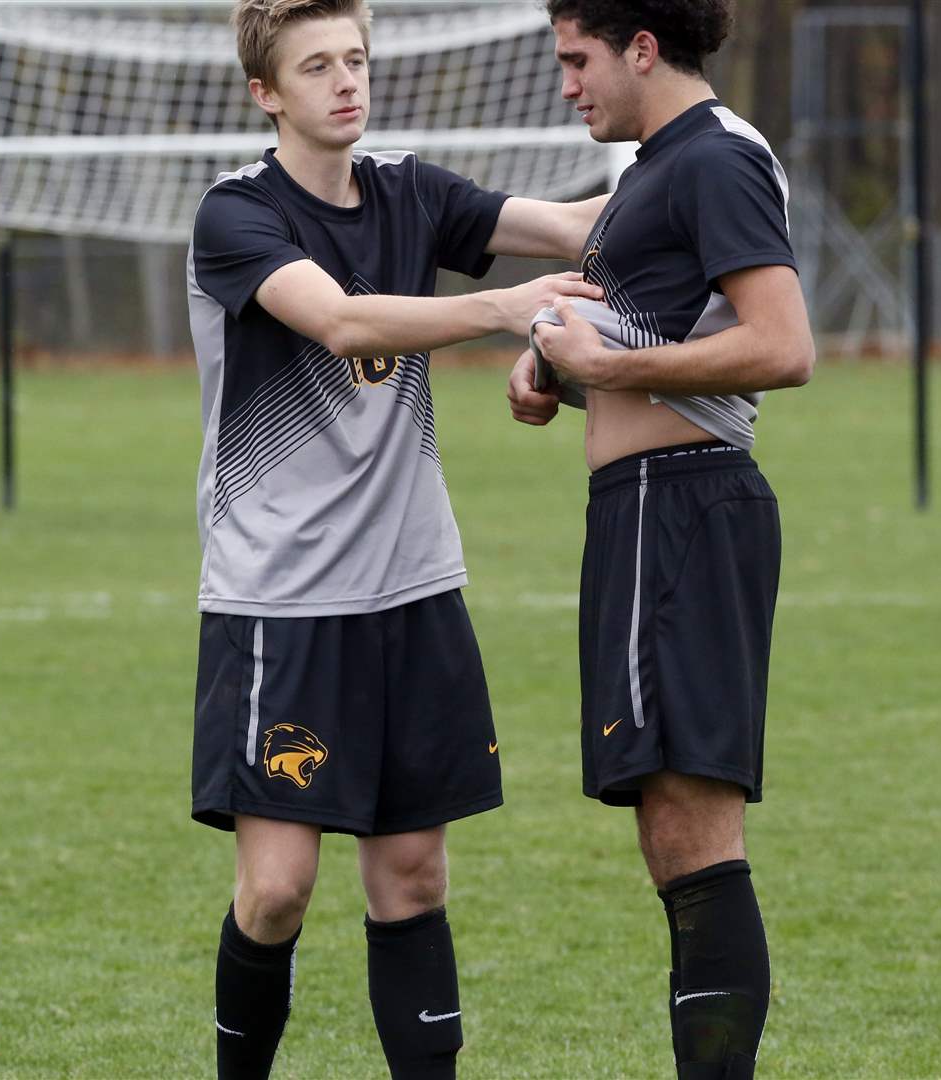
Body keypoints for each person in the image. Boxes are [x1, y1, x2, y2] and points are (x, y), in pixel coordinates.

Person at [187, 2, 607, 1077]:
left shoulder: (411, 188)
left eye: (356, 59)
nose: (345, 82)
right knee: (277, 891)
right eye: (316, 65)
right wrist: (505, 310)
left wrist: (699, 176)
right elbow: (344, 321)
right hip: (281, 601)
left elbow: (571, 227)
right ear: (266, 93)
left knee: (413, 877)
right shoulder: (236, 216)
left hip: (414, 590)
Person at [507, 2, 815, 1077]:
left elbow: (783, 344)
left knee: (694, 835)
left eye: (578, 59)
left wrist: (605, 370)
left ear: (643, 47)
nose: (567, 84)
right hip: (644, 512)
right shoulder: (654, 170)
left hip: (684, 509)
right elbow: (645, 329)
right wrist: (550, 363)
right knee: (672, 837)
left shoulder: (713, 159)